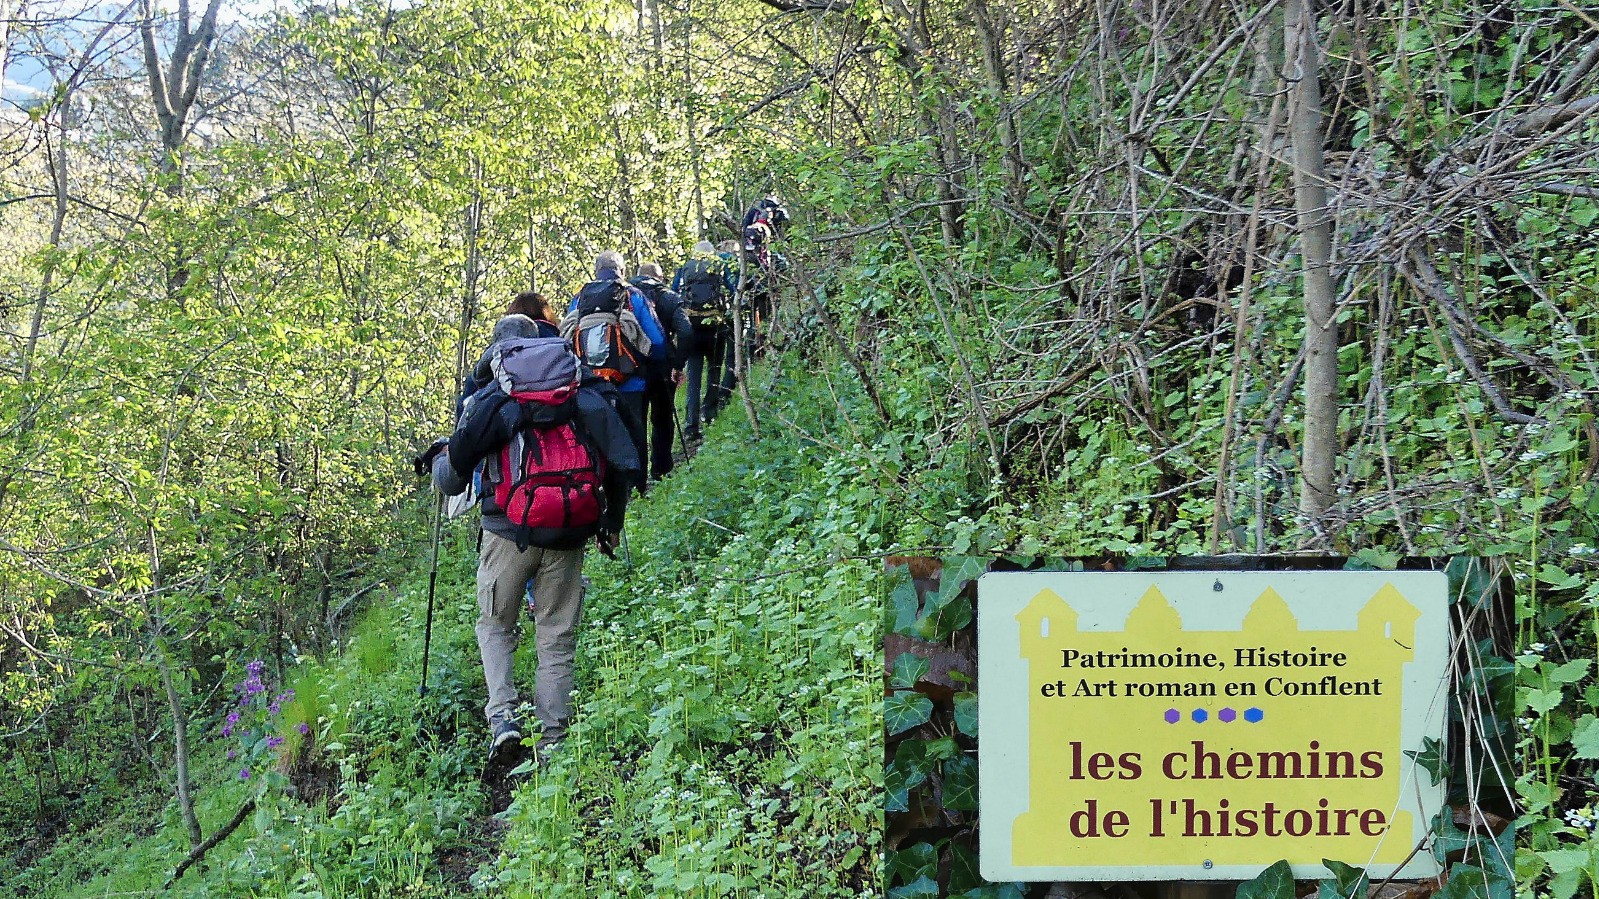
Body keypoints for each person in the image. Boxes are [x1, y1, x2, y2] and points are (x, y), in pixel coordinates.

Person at [423, 336, 640, 762]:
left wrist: (439, 459)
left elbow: (451, 481)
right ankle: (552, 741)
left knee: (496, 625)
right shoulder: (581, 396)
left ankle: (503, 717)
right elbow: (618, 465)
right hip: (569, 533)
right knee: (556, 637)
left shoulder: (492, 402)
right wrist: (611, 525)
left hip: (506, 535)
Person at [562, 251, 666, 483]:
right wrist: (655, 363)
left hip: (590, 383)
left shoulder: (580, 298)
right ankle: (637, 487)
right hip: (631, 380)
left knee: (597, 434)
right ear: (622, 270)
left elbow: (568, 338)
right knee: (634, 431)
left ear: (595, 270)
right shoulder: (633, 296)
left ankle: (603, 487)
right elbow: (657, 341)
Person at [630, 261, 693, 480]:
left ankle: (637, 479)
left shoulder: (625, 296)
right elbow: (686, 332)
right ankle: (661, 470)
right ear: (660, 278)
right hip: (663, 368)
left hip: (632, 368)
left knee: (636, 421)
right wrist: (678, 364)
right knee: (663, 418)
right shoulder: (669, 297)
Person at [672, 241, 737, 440]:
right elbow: (733, 290)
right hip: (715, 326)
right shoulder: (720, 266)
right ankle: (710, 415)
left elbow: (674, 294)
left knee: (693, 376)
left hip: (691, 327)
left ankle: (691, 425)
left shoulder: (685, 268)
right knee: (714, 370)